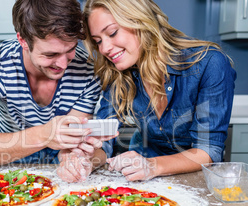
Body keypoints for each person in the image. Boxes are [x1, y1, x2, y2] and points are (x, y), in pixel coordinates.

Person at [77, 0, 236, 181]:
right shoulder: (118, 73)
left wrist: (152, 166)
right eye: (98, 41)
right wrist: (87, 160)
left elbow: (208, 150)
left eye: (112, 33)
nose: (104, 49)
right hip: (143, 176)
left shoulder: (210, 63)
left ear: (141, 22)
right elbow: (104, 140)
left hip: (194, 176)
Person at [0, 0, 107, 170]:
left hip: (59, 163)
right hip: (9, 160)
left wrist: (74, 158)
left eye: (70, 50)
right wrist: (44, 135)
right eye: (50, 54)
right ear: (23, 41)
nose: (63, 64)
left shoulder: (87, 69)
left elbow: (73, 142)